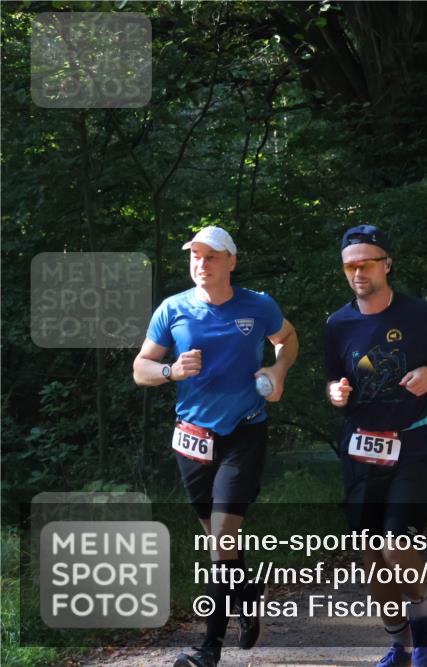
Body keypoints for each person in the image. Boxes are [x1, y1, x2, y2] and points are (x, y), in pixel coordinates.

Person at [133, 226, 299, 667]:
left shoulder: (258, 305)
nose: (201, 264)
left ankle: (209, 650)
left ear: (231, 262)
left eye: (211, 257)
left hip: (244, 433)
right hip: (192, 439)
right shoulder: (173, 309)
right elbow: (140, 368)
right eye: (195, 257)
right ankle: (246, 597)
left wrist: (278, 372)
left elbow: (289, 339)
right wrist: (171, 371)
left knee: (222, 536)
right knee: (218, 541)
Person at [325, 224, 427, 667]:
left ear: (387, 264)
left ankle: (421, 616)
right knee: (370, 555)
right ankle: (398, 642)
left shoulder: (419, 313)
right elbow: (332, 378)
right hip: (360, 448)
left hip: (410, 442)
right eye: (350, 265)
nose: (358, 271)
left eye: (366, 262)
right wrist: (335, 393)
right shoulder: (338, 323)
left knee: (396, 544)